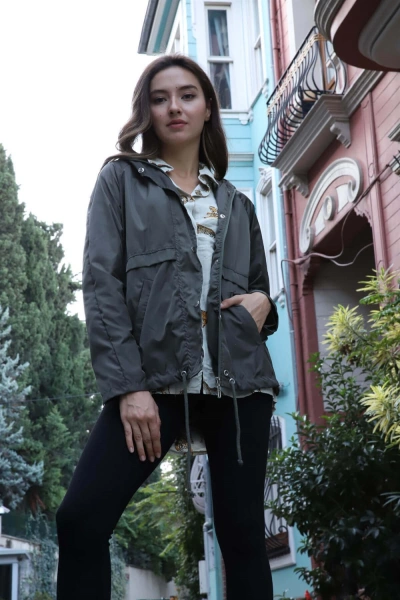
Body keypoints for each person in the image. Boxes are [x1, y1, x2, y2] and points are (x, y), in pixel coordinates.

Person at [56, 54, 279, 600]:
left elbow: (258, 292)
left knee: (244, 539)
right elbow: (101, 285)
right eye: (160, 98)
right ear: (147, 112)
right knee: (80, 519)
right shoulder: (120, 180)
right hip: (154, 382)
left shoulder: (236, 203)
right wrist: (128, 387)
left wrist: (264, 305)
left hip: (239, 388)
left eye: (187, 95)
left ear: (207, 109)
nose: (174, 107)